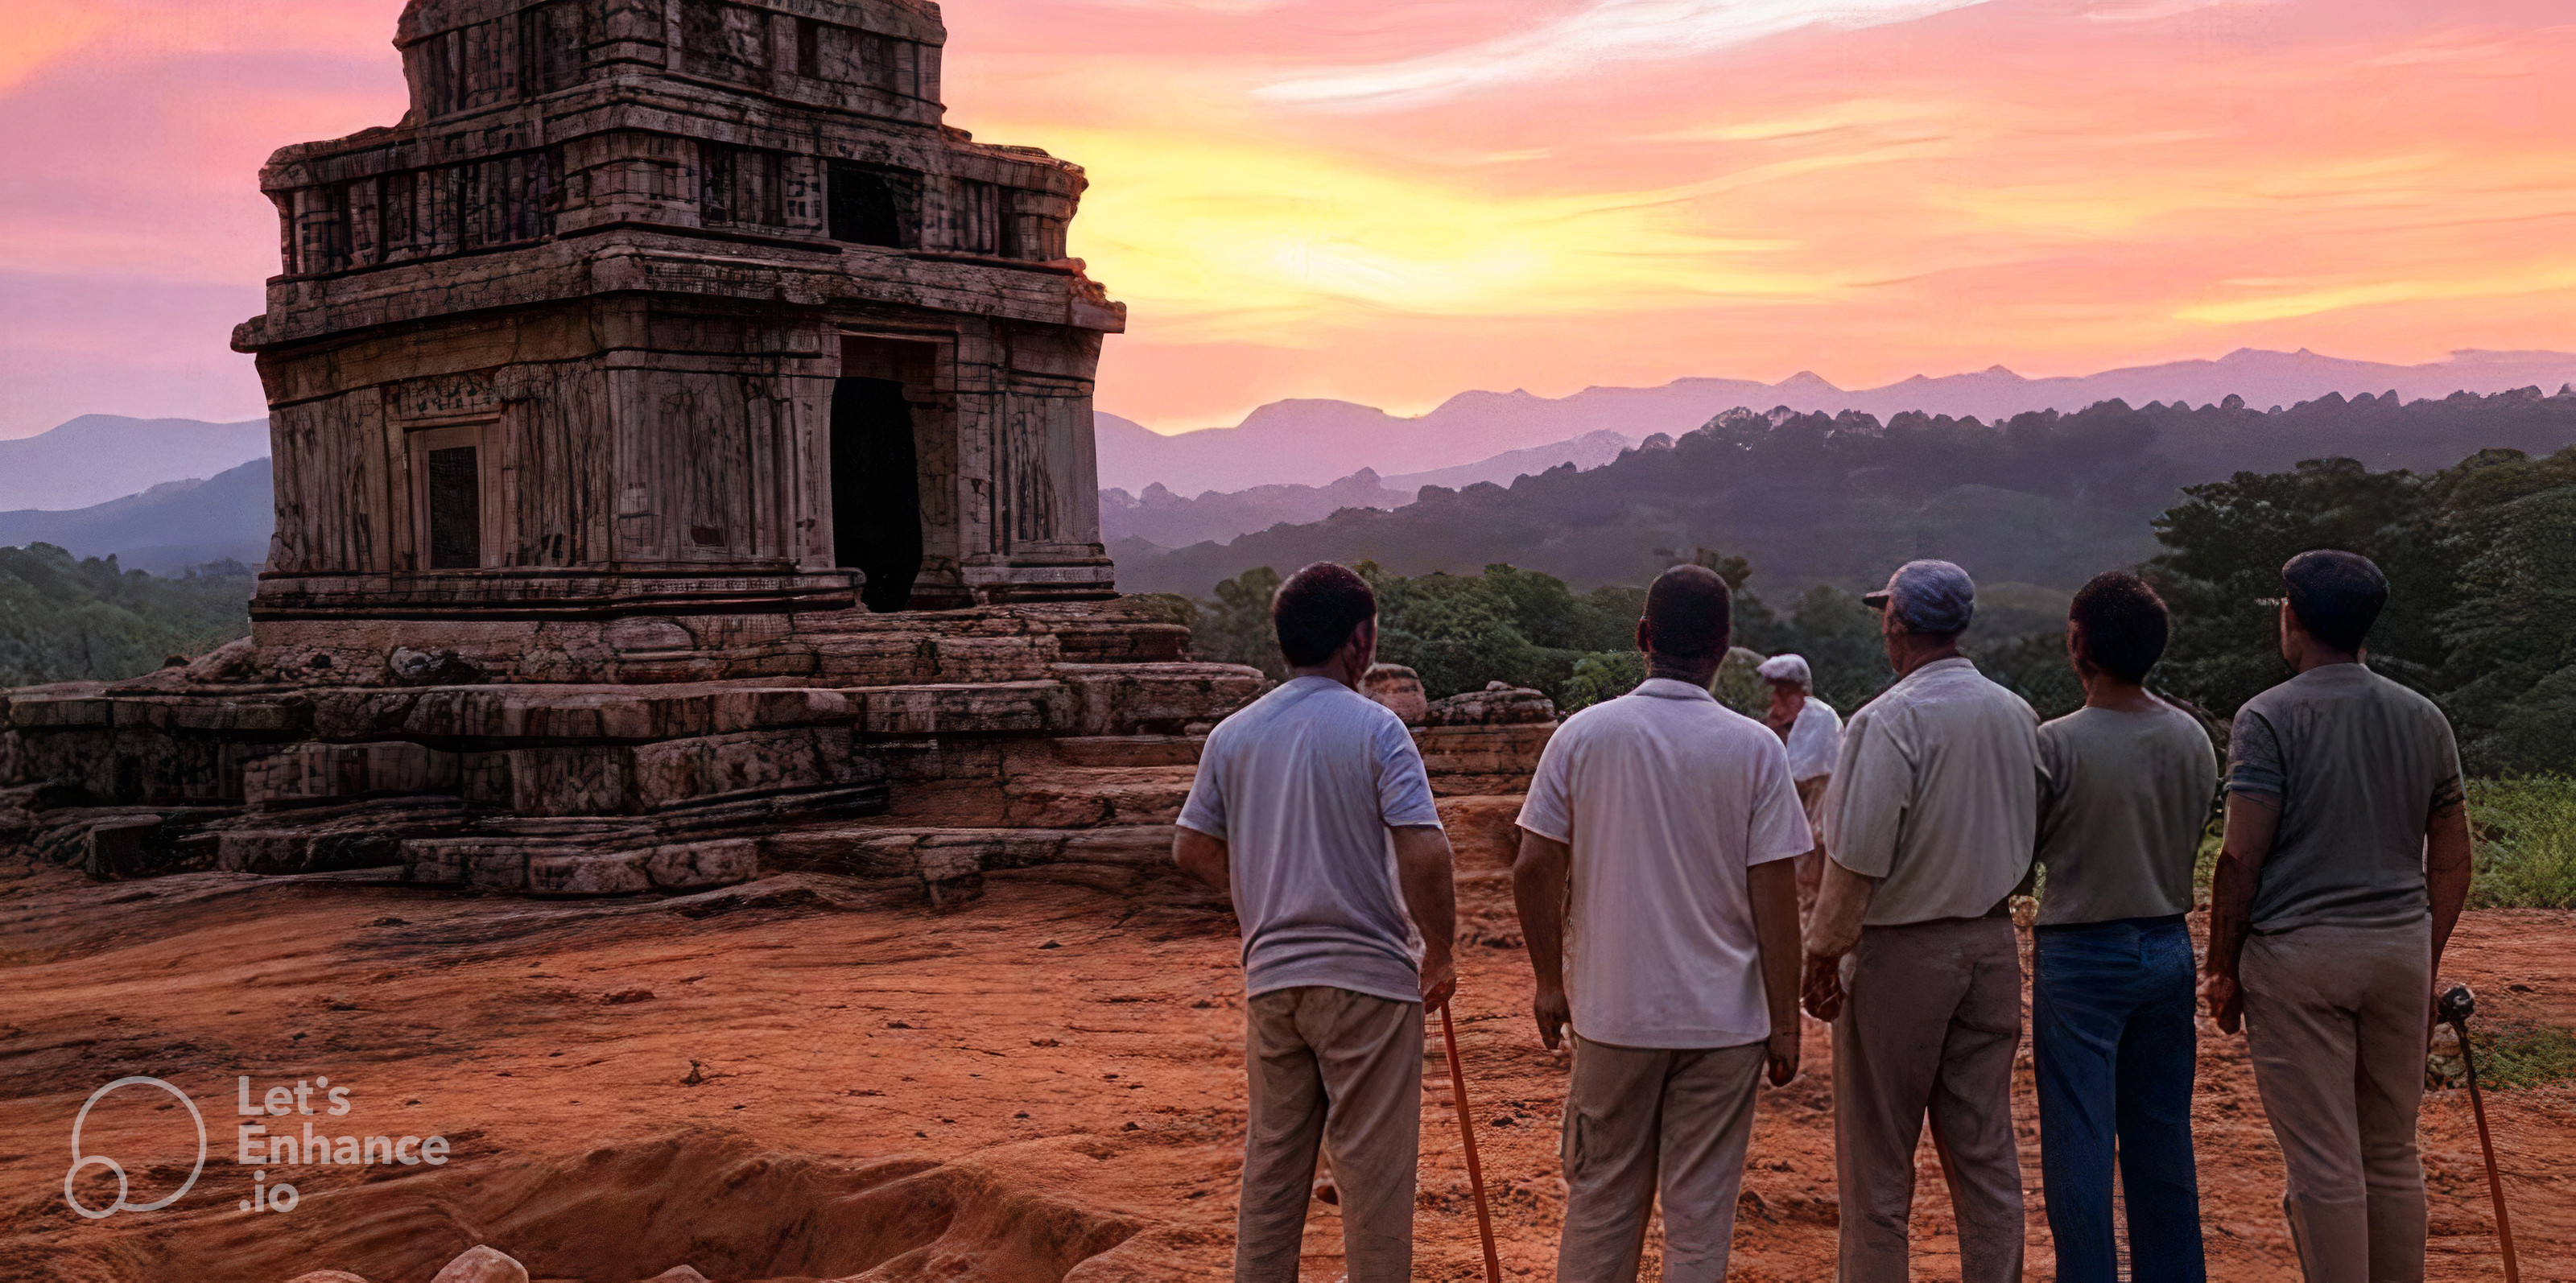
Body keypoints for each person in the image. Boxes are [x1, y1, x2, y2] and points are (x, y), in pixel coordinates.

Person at [1512, 564, 1812, 1282]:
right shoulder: (1756, 749)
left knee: (1601, 1207)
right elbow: (1776, 895)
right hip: (1724, 1027)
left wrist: (1550, 983)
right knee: (1700, 1227)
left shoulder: (1582, 737)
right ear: (1724, 645)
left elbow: (1532, 866)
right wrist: (1786, 1022)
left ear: (1643, 636)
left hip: (1614, 1018)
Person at [1171, 561, 1459, 1283]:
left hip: (1274, 978)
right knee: (1374, 1178)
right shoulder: (1378, 730)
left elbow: (1190, 847)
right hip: (1369, 979)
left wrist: (1260, 897)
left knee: (1272, 1171)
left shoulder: (1233, 735)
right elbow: (1425, 850)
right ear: (1360, 642)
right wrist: (1442, 953)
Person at [2202, 551, 2474, 1283]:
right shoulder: (2426, 719)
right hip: (2397, 952)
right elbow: (2451, 860)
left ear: (2292, 617)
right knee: (2390, 1151)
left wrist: (2221, 966)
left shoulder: (2267, 717)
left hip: (2298, 961)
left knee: (2324, 1161)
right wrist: (2425, 956)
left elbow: (2241, 859)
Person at [1802, 559, 2039, 1283]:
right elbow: (2034, 841)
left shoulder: (1887, 719)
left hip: (1903, 953)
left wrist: (1822, 954)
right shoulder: (2017, 712)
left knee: (1877, 1161)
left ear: (1897, 624)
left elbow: (1858, 859)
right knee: (1986, 1151)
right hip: (1992, 943)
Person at [2030, 571, 2216, 1283]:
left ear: (2080, 645)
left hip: (2081, 953)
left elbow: (2030, 851)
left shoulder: (2055, 745)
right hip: (2169, 944)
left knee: (2079, 1139)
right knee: (2163, 1138)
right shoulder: (2191, 738)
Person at [1758, 652, 1843, 915]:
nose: (1777, 700)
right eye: (1776, 692)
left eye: (1786, 692)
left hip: (1816, 835)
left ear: (1802, 692)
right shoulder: (1773, 725)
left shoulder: (1820, 721)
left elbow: (1808, 777)